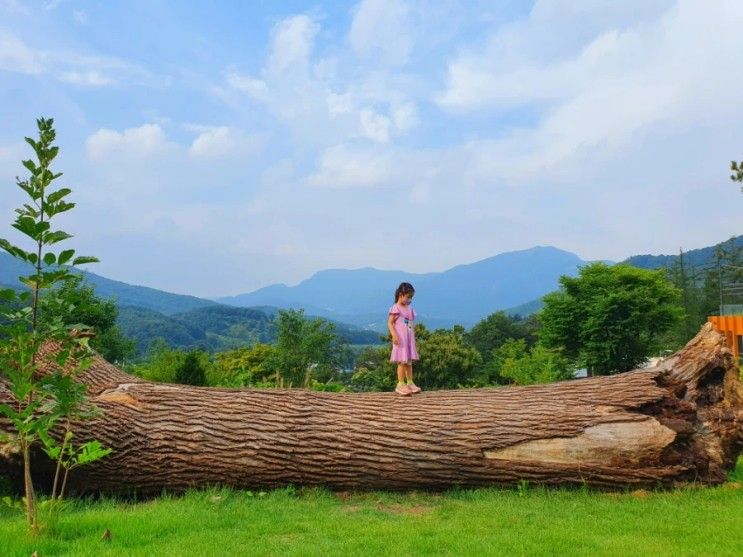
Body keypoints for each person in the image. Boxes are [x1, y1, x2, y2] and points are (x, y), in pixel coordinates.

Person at [388, 282, 421, 395]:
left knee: (409, 362)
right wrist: (394, 335)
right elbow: (390, 323)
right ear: (401, 295)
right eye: (408, 297)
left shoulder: (409, 308)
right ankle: (400, 384)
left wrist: (413, 339)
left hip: (409, 340)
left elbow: (411, 324)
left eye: (411, 297)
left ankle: (410, 382)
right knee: (402, 362)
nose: (410, 300)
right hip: (400, 340)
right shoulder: (395, 308)